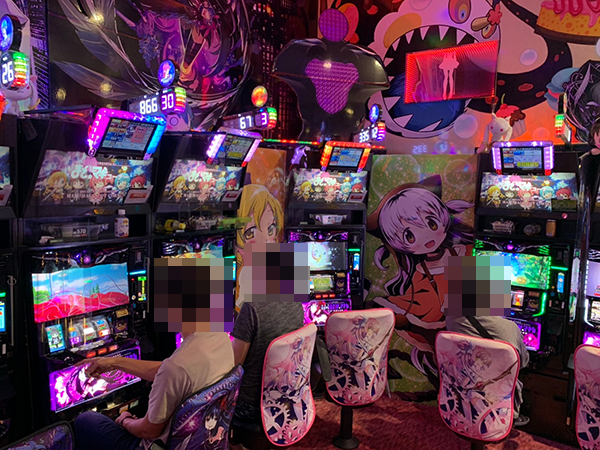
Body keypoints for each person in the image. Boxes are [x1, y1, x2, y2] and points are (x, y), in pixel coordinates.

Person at [73, 257, 236, 450]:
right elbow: (172, 372)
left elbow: (148, 431)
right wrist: (115, 362)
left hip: (158, 446)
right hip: (203, 440)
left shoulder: (177, 367)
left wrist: (124, 420)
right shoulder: (221, 338)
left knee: (84, 420)